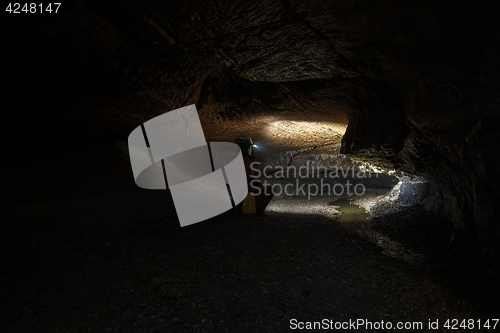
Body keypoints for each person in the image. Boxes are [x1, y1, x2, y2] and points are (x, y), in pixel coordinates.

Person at [235, 135, 273, 216]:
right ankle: (256, 210)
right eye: (250, 147)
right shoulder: (245, 159)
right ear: (247, 147)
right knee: (268, 189)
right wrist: (257, 182)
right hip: (242, 187)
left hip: (236, 186)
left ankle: (243, 208)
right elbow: (247, 177)